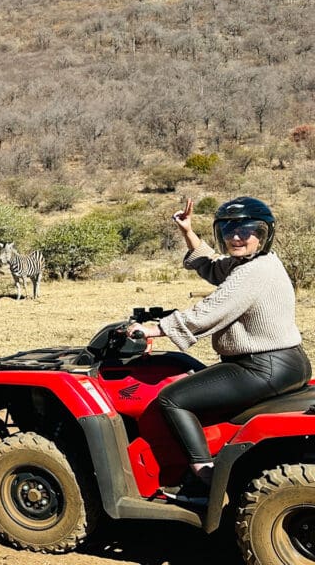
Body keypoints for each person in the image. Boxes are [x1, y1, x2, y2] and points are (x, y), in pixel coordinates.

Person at [129, 197, 311, 503]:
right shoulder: (256, 262)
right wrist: (188, 231)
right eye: (228, 230)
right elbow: (213, 267)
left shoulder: (253, 272)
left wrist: (155, 329)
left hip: (260, 367)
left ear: (263, 234)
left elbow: (211, 311)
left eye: (246, 230)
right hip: (287, 363)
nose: (235, 237)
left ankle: (204, 477)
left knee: (173, 398)